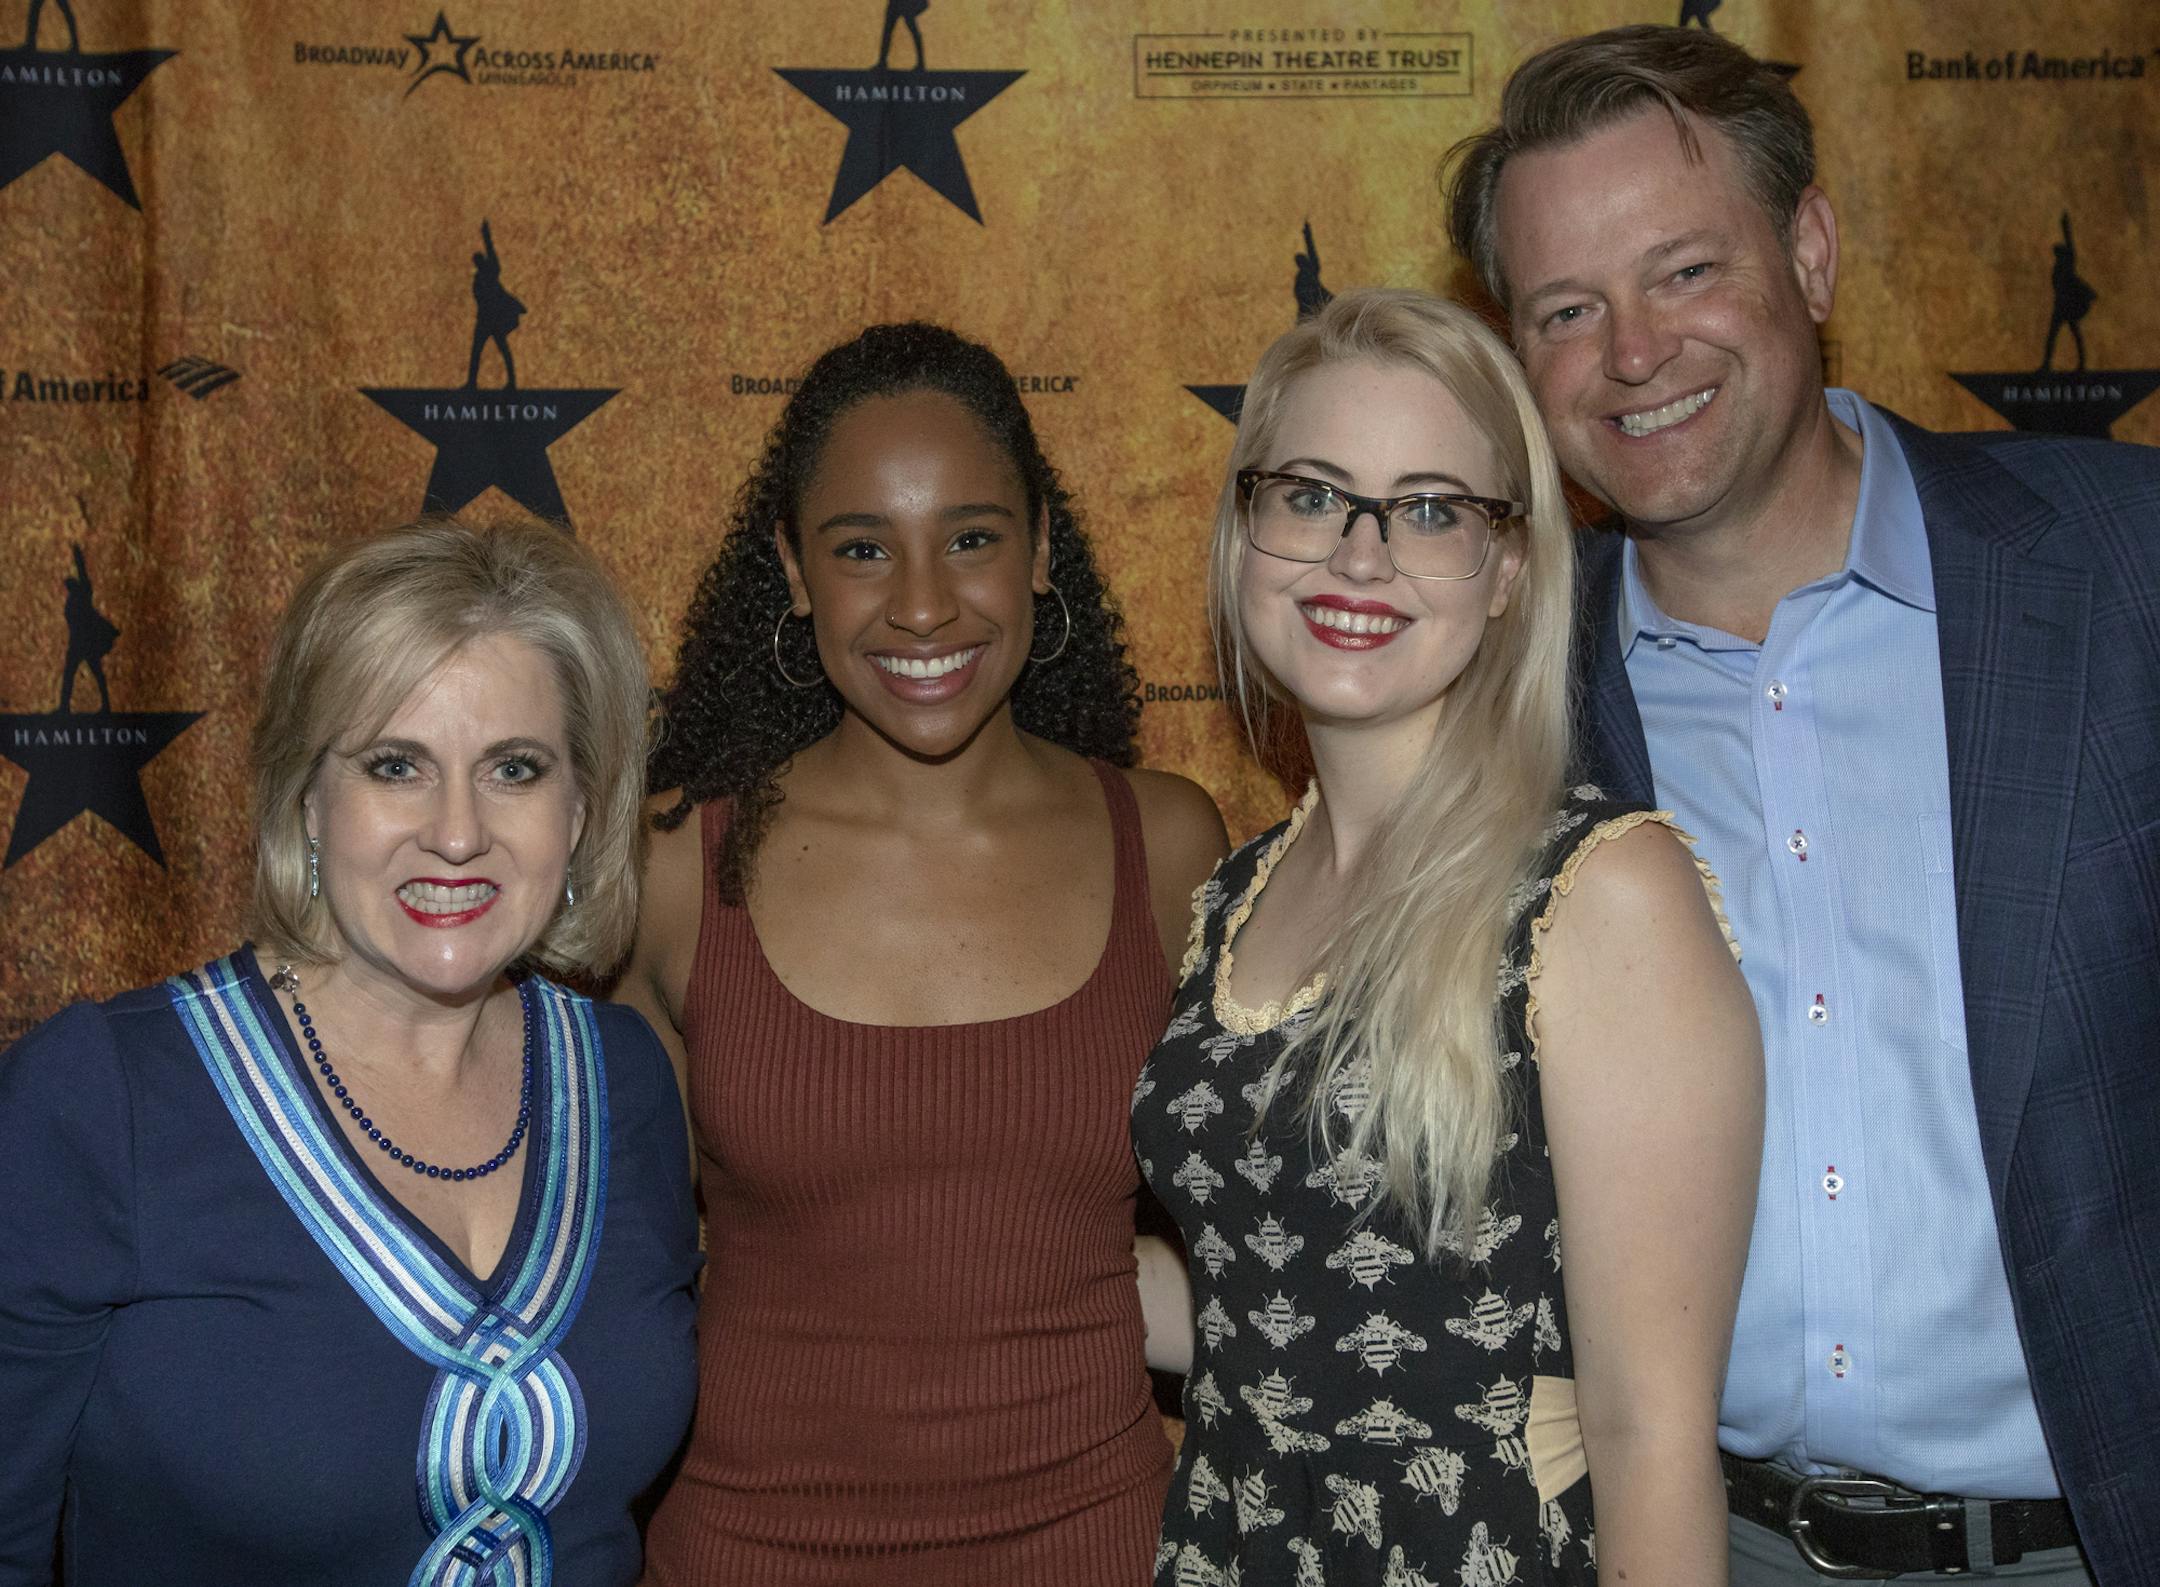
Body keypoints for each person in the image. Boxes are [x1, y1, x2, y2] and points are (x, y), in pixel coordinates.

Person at [1444, 24, 2160, 1583]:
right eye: (1568, 308)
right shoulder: (1494, 709)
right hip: (1701, 1540)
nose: (1633, 352)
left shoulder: (2127, 568)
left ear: (1814, 252)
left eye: (1686, 272)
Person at [1132, 286, 1763, 1585]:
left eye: (1429, 510)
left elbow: (1652, 1436)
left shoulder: (1600, 892)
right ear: (1245, 523)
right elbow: (1275, 1307)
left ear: (1509, 569)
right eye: (1311, 493)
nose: (1358, 557)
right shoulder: (1235, 893)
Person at [621, 321, 1228, 1584]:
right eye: (860, 549)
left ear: (1041, 548)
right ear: (791, 570)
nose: (921, 604)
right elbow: (614, 1272)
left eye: (970, 537)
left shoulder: (1168, 844)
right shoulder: (672, 867)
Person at [0, 522, 699, 1586]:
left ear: (582, 807)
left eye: (515, 768)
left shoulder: (625, 1080)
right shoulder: (107, 1100)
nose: (457, 832)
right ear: (308, 800)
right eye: (395, 765)